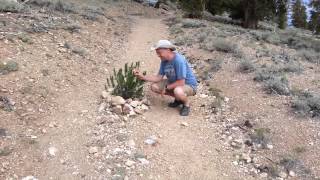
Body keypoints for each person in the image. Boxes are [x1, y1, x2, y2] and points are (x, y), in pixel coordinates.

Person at [133, 40, 198, 116]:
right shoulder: (164, 61)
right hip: (174, 82)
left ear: (168, 50)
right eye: (157, 53)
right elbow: (158, 77)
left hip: (189, 85)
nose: (158, 55)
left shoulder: (178, 60)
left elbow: (181, 82)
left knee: (178, 91)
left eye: (159, 53)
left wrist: (167, 88)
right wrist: (143, 77)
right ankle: (178, 99)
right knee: (154, 87)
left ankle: (186, 104)